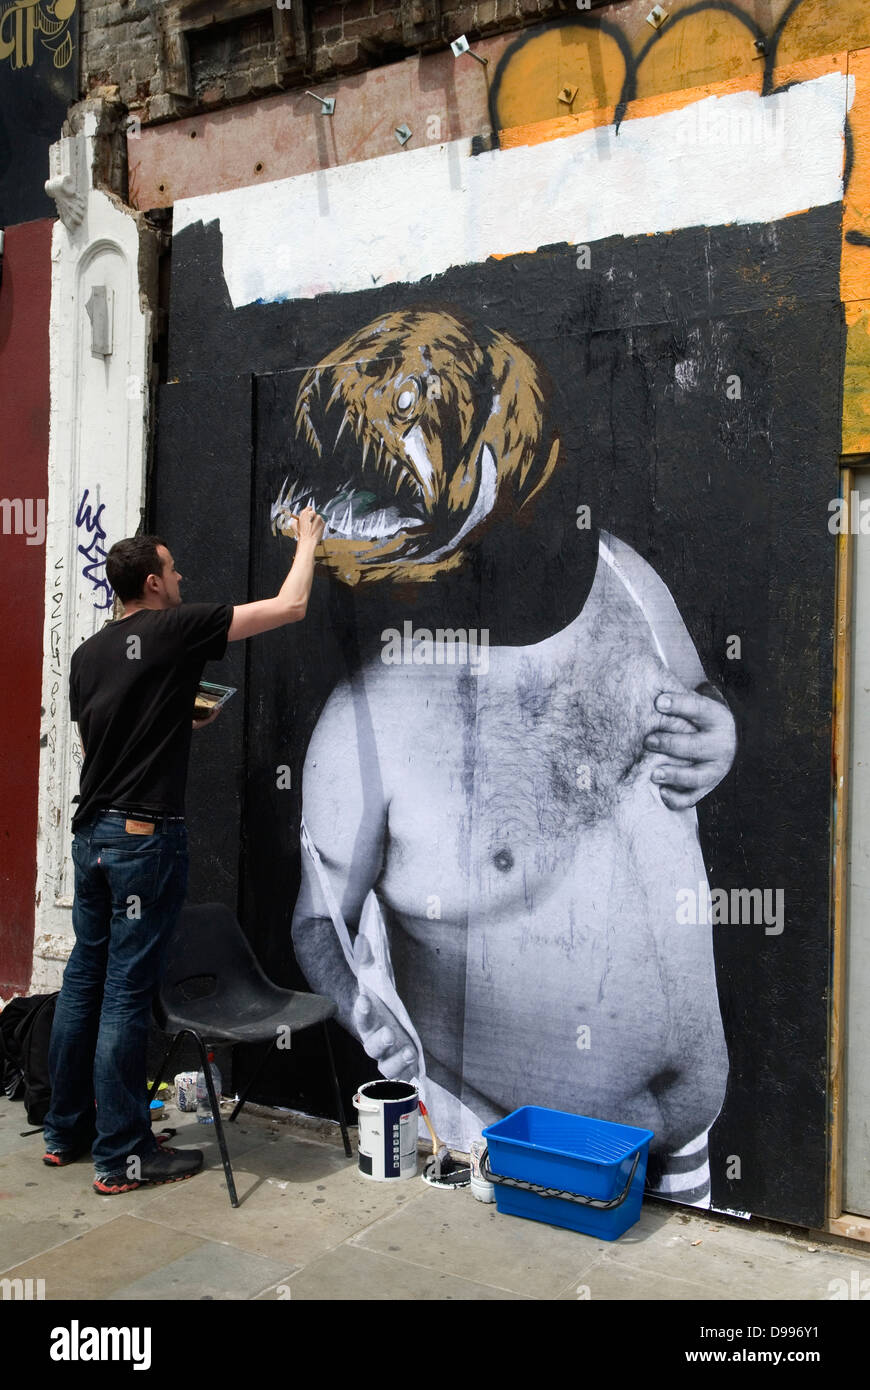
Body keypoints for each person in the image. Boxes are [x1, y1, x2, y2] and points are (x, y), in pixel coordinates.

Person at [292, 530, 736, 1206]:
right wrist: (359, 1007)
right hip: (520, 1159)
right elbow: (317, 923)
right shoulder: (366, 715)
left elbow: (697, 692)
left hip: (691, 1151)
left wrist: (721, 729)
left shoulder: (622, 575)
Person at [42, 506, 324, 1195]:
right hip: (144, 840)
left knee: (84, 980)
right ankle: (122, 1154)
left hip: (93, 836)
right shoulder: (173, 628)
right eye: (173, 569)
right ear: (155, 584)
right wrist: (309, 539)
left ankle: (65, 1131)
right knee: (125, 997)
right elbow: (289, 607)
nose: (181, 575)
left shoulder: (87, 655)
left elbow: (101, 747)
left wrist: (181, 716)